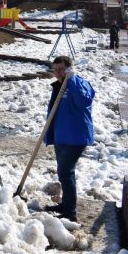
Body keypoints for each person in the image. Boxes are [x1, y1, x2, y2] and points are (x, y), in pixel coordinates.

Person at [43, 55, 95, 222]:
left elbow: (83, 101)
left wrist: (71, 80)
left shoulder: (78, 82)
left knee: (65, 172)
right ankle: (66, 204)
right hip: (61, 136)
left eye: (61, 70)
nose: (57, 73)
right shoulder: (58, 86)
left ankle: (70, 213)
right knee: (64, 173)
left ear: (69, 69)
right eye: (55, 70)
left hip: (76, 136)